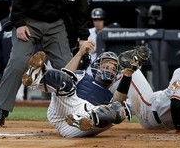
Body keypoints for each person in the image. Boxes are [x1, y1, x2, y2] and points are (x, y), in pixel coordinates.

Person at [0, 0, 91, 128]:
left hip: (55, 25)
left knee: (68, 69)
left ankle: (81, 111)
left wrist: (83, 36)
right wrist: (19, 23)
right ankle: (0, 110)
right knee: (18, 61)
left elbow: (82, 10)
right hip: (29, 21)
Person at [21, 40, 151, 137]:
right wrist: (80, 53)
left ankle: (81, 120)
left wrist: (127, 75)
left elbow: (118, 102)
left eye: (113, 68)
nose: (109, 69)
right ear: (97, 66)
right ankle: (35, 76)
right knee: (66, 81)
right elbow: (65, 75)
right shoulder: (83, 75)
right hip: (65, 106)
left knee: (119, 110)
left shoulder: (112, 93)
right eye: (106, 65)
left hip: (85, 121)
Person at [0, 5, 25, 101]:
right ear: (10, 8)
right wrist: (0, 61)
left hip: (23, 63)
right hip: (6, 64)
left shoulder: (28, 23)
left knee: (19, 96)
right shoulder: (2, 23)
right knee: (6, 93)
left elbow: (37, 43)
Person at [87, 8, 106, 75]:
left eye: (100, 20)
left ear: (104, 21)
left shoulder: (108, 33)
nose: (97, 22)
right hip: (90, 62)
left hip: (104, 62)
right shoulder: (88, 32)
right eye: (95, 20)